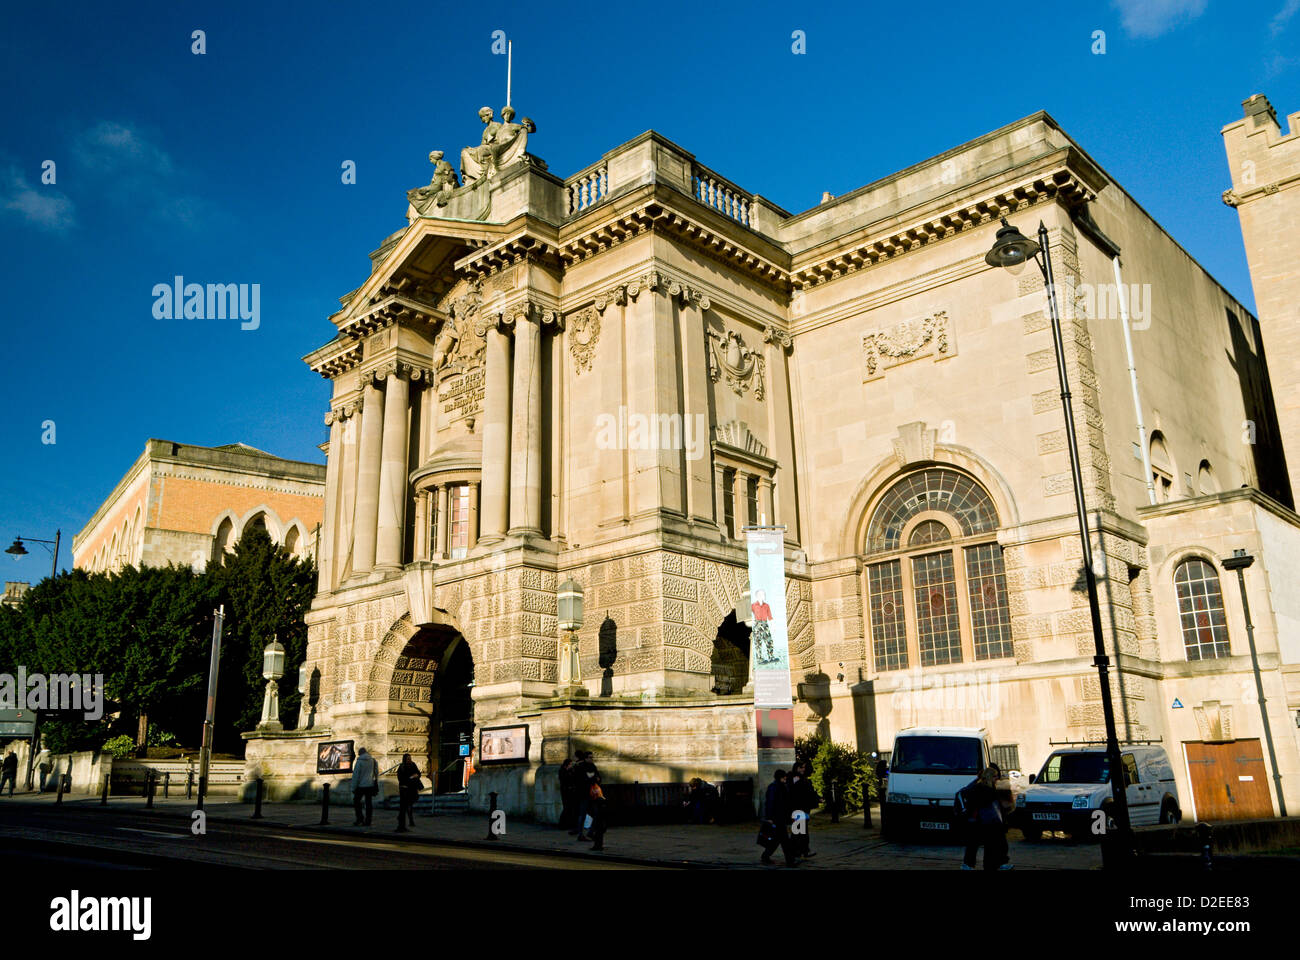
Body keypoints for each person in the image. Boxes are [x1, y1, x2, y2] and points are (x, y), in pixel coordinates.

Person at [959, 764, 1013, 871]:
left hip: (986, 821)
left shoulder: (985, 787)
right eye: (995, 776)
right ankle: (988, 865)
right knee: (987, 844)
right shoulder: (983, 789)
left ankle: (992, 864)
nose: (997, 778)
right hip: (982, 821)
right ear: (989, 777)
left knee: (989, 843)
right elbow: (983, 803)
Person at [759, 770, 798, 866]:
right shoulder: (774, 787)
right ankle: (790, 860)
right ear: (780, 777)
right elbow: (770, 803)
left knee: (776, 840)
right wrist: (769, 817)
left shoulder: (781, 787)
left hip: (781, 817)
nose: (785, 778)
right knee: (785, 840)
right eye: (784, 777)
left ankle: (765, 856)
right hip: (777, 817)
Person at [788, 760, 819, 859]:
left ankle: (803, 850)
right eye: (801, 768)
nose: (803, 770)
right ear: (796, 768)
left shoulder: (804, 779)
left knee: (803, 831)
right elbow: (792, 792)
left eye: (803, 768)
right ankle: (799, 851)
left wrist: (817, 798)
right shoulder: (794, 779)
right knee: (798, 831)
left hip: (804, 808)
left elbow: (810, 793)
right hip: (797, 808)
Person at [574, 750, 599, 841]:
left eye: (592, 757)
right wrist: (592, 777)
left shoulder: (592, 766)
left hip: (593, 794)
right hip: (583, 794)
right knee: (582, 814)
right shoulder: (580, 767)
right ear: (585, 758)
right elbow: (583, 779)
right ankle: (580, 834)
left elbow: (598, 777)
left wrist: (592, 777)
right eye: (590, 757)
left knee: (597, 813)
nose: (592, 759)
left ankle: (590, 832)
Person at [351, 746, 379, 826]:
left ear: (360, 753)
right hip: (369, 785)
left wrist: (353, 787)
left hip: (361, 786)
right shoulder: (373, 760)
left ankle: (360, 818)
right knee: (368, 803)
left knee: (356, 801)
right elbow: (376, 773)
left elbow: (356, 776)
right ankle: (368, 820)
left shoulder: (359, 762)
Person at [396, 753, 421, 832]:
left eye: (410, 758)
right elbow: (401, 778)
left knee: (409, 805)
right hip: (405, 789)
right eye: (408, 758)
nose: (409, 760)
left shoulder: (413, 765)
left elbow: (418, 773)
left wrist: (417, 775)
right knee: (404, 806)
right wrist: (410, 777)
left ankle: (408, 821)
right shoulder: (402, 767)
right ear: (405, 759)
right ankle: (404, 822)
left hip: (412, 789)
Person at [587, 775, 608, 852]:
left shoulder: (594, 787)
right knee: (598, 827)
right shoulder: (595, 787)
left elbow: (594, 796)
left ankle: (597, 844)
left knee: (598, 827)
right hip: (599, 805)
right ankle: (598, 844)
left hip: (598, 805)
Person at [558, 758, 577, 829]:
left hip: (570, 791)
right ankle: (562, 824)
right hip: (565, 791)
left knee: (570, 808)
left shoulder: (571, 771)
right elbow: (564, 780)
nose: (571, 765)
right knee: (566, 807)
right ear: (567, 764)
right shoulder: (562, 771)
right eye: (570, 764)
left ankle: (568, 824)